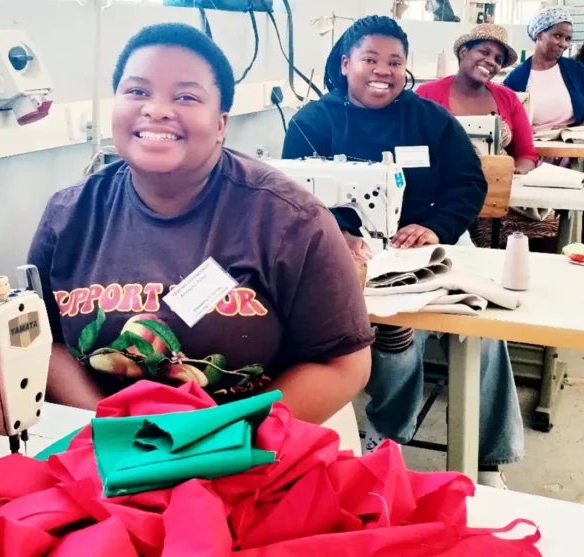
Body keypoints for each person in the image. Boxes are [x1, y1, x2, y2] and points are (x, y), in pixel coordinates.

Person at [27, 23, 375, 425]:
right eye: (137, 91)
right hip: (105, 452)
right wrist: (104, 428)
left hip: (251, 450)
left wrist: (218, 445)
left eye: (186, 96)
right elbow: (41, 339)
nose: (156, 109)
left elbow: (344, 364)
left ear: (222, 123)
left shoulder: (291, 222)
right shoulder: (69, 215)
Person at [282, 15, 524, 488]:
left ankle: (486, 457)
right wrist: (335, 233)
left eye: (395, 62)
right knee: (384, 331)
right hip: (342, 251)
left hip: (427, 244)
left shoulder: (429, 119)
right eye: (370, 59)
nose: (383, 70)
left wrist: (435, 226)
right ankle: (389, 428)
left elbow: (469, 182)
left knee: (485, 329)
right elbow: (294, 198)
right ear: (347, 63)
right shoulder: (313, 122)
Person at [417, 24, 559, 253]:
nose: (491, 61)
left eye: (498, 59)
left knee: (549, 223)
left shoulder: (508, 98)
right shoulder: (427, 94)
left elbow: (526, 153)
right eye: (484, 52)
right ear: (464, 51)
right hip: (445, 193)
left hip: (498, 190)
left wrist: (515, 172)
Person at [503, 7, 584, 244]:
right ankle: (549, 240)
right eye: (557, 35)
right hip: (533, 148)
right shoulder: (517, 78)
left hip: (573, 142)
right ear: (539, 35)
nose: (563, 43)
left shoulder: (576, 71)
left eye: (568, 38)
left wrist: (574, 135)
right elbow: (508, 122)